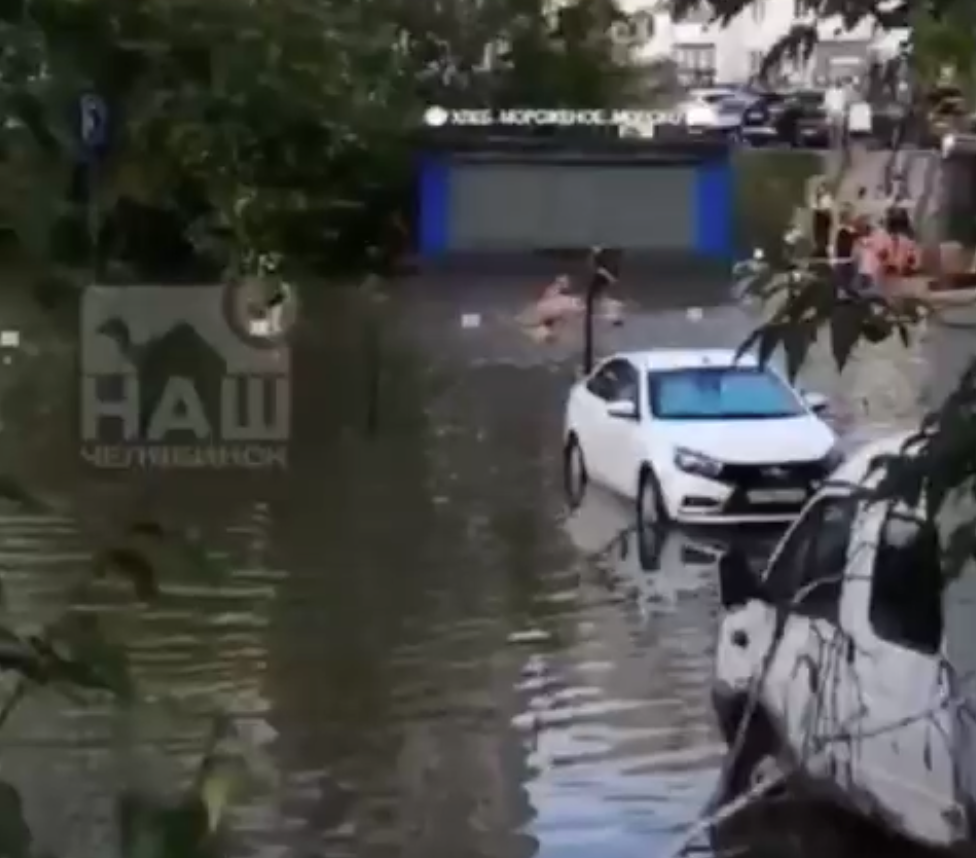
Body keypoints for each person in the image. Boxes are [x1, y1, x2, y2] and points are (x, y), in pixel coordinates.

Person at [811, 181, 833, 260]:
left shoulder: (827, 197)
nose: (820, 190)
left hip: (824, 217)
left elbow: (827, 208)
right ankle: (818, 248)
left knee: (823, 234)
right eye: (819, 188)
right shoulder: (816, 197)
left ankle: (823, 250)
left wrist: (821, 208)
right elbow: (814, 207)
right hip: (818, 216)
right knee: (817, 233)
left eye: (822, 188)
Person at [824, 79, 849, 150]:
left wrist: (844, 113)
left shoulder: (842, 92)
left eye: (839, 83)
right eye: (837, 83)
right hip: (834, 113)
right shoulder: (831, 92)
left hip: (837, 113)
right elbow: (827, 104)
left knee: (837, 132)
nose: (838, 84)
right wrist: (828, 113)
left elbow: (845, 103)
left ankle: (836, 147)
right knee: (833, 132)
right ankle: (834, 147)